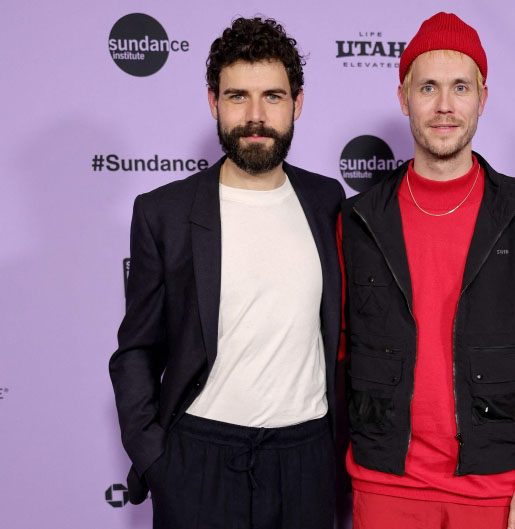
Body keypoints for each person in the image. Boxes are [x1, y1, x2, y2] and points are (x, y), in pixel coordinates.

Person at [338, 12, 515, 529]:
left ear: (482, 98)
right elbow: (335, 353)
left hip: (494, 486)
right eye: (428, 87)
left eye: (460, 87)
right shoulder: (358, 220)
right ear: (404, 98)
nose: (444, 106)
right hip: (385, 484)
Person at [109, 17, 344, 529]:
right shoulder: (163, 212)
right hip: (199, 458)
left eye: (273, 97)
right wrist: (157, 459)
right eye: (238, 96)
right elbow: (136, 351)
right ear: (214, 102)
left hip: (307, 460)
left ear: (297, 104)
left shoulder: (328, 201)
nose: (255, 117)